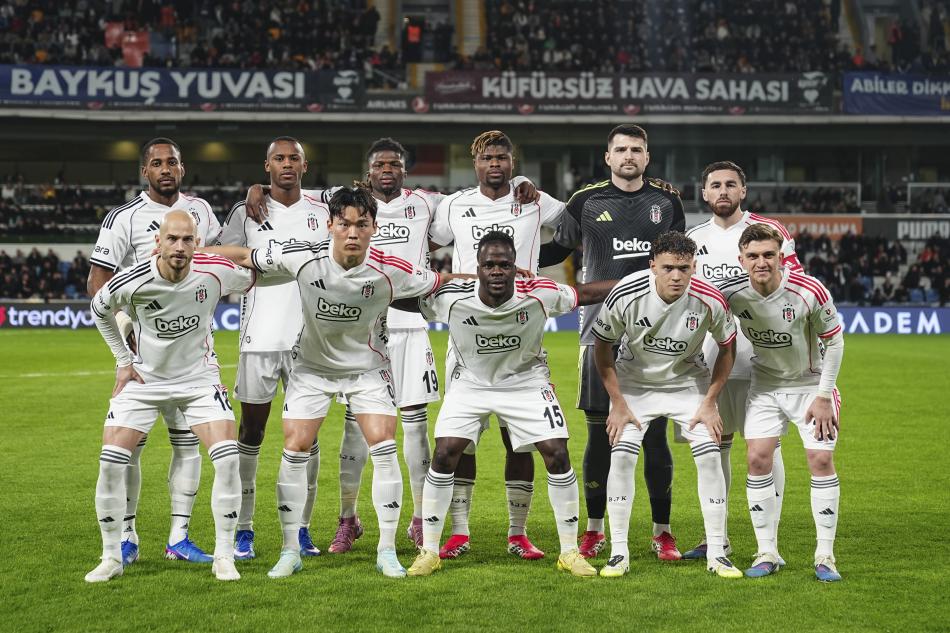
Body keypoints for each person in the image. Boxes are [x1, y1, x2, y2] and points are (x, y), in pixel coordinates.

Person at [241, 140, 539, 555]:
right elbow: (292, 189)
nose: (387, 170)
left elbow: (482, 193)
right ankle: (348, 519)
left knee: (415, 429)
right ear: (368, 171)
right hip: (362, 329)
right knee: (354, 432)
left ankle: (418, 519)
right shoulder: (342, 201)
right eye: (379, 164)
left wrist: (521, 181)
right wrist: (258, 188)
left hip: (410, 326)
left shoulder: (428, 203)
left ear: (404, 170)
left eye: (394, 164)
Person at [205, 186, 470, 579]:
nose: (352, 232)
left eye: (362, 224)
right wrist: (195, 253)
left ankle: (386, 551)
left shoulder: (392, 269)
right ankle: (290, 550)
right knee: (295, 447)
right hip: (311, 370)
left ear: (374, 227)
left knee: (384, 445)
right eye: (344, 224)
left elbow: (442, 281)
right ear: (329, 224)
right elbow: (245, 256)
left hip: (368, 370)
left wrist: (495, 278)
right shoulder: (302, 257)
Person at [402, 231, 615, 577]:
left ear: (516, 268)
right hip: (470, 382)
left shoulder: (540, 293)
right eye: (489, 265)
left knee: (557, 452)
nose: (497, 271)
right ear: (478, 268)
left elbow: (587, 293)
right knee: (445, 451)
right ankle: (429, 551)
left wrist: (644, 280)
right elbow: (402, 299)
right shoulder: (451, 298)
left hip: (525, 382)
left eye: (504, 265)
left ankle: (569, 552)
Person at [538, 124, 685, 560]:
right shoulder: (585, 201)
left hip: (656, 335)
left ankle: (662, 532)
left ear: (647, 156)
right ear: (608, 157)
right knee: (599, 434)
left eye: (636, 149)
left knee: (654, 435)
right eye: (621, 149)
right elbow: (556, 251)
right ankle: (594, 529)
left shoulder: (667, 201)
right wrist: (511, 253)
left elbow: (680, 256)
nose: (628, 156)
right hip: (597, 332)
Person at [85, 210, 255, 583]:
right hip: (145, 380)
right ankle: (111, 556)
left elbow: (253, 270)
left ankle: (224, 556)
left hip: (198, 379)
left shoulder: (213, 271)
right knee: (111, 462)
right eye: (172, 239)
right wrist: (122, 360)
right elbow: (99, 309)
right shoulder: (133, 279)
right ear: (157, 242)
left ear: (197, 243)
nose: (179, 247)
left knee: (228, 459)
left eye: (187, 240)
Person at [428, 130, 565, 560]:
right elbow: (424, 242)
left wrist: (539, 266)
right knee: (460, 443)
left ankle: (518, 534)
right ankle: (459, 533)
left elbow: (578, 225)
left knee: (519, 441)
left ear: (512, 162)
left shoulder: (535, 200)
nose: (495, 164)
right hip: (469, 332)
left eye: (502, 158)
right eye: (487, 158)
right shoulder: (453, 205)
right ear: (475, 162)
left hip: (521, 327)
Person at [86, 138, 222, 566]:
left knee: (187, 444)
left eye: (173, 162)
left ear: (182, 168)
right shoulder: (123, 218)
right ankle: (127, 535)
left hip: (191, 352)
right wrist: (123, 332)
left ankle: (179, 537)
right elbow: (98, 282)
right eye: (157, 163)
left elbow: (216, 261)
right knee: (130, 447)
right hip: (143, 353)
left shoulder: (201, 211)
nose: (166, 169)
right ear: (145, 171)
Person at [592, 231, 742, 578]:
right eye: (668, 268)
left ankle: (717, 553)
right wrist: (617, 401)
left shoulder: (709, 299)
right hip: (634, 384)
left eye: (684, 269)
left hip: (688, 384)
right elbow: (602, 347)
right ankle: (618, 553)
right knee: (622, 456)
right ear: (652, 266)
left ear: (694, 267)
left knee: (710, 455)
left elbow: (727, 348)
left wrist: (710, 401)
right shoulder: (626, 293)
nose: (676, 276)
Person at [681, 161, 802, 561]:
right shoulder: (694, 238)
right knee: (713, 446)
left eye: (730, 184)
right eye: (715, 185)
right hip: (710, 359)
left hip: (762, 358)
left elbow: (794, 287)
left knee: (765, 446)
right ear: (704, 193)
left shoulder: (768, 232)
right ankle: (716, 538)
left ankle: (770, 541)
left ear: (743, 191)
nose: (723, 191)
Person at [216, 137, 329, 561]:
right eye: (278, 158)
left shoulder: (324, 210)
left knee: (306, 439)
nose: (286, 164)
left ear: (305, 164)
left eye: (293, 158)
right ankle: (244, 529)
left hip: (309, 342)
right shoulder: (245, 212)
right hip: (258, 341)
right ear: (267, 166)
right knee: (251, 433)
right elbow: (224, 259)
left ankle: (302, 528)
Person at [718, 223, 845, 582]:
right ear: (741, 259)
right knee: (757, 459)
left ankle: (825, 555)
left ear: (781, 256)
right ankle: (767, 552)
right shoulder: (731, 293)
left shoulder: (808, 290)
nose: (761, 262)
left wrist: (824, 396)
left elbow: (835, 343)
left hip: (811, 386)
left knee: (820, 460)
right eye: (753, 256)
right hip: (765, 386)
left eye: (768, 255)